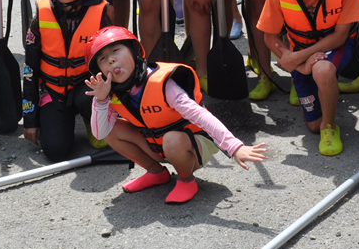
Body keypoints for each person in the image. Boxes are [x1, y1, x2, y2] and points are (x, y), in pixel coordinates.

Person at [85, 27, 267, 204]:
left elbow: (200, 115)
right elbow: (101, 133)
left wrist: (234, 147)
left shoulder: (162, 83)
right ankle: (156, 173)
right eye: (103, 59)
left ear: (134, 51)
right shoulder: (110, 94)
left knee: (171, 139)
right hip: (158, 146)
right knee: (112, 129)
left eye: (116, 50)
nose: (111, 60)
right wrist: (100, 101)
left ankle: (186, 179)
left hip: (193, 144)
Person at [256, 0, 359, 156]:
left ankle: (330, 127)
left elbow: (340, 36)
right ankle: (314, 100)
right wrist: (298, 63)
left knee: (322, 70)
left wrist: (299, 58)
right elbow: (269, 38)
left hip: (335, 47)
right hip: (298, 52)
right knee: (312, 126)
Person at [22, 0, 113, 162]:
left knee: (88, 99)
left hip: (87, 90)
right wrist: (30, 119)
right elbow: (29, 69)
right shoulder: (42, 14)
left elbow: (114, 64)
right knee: (55, 151)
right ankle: (59, 119)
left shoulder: (102, 13)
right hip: (54, 91)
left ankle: (94, 120)